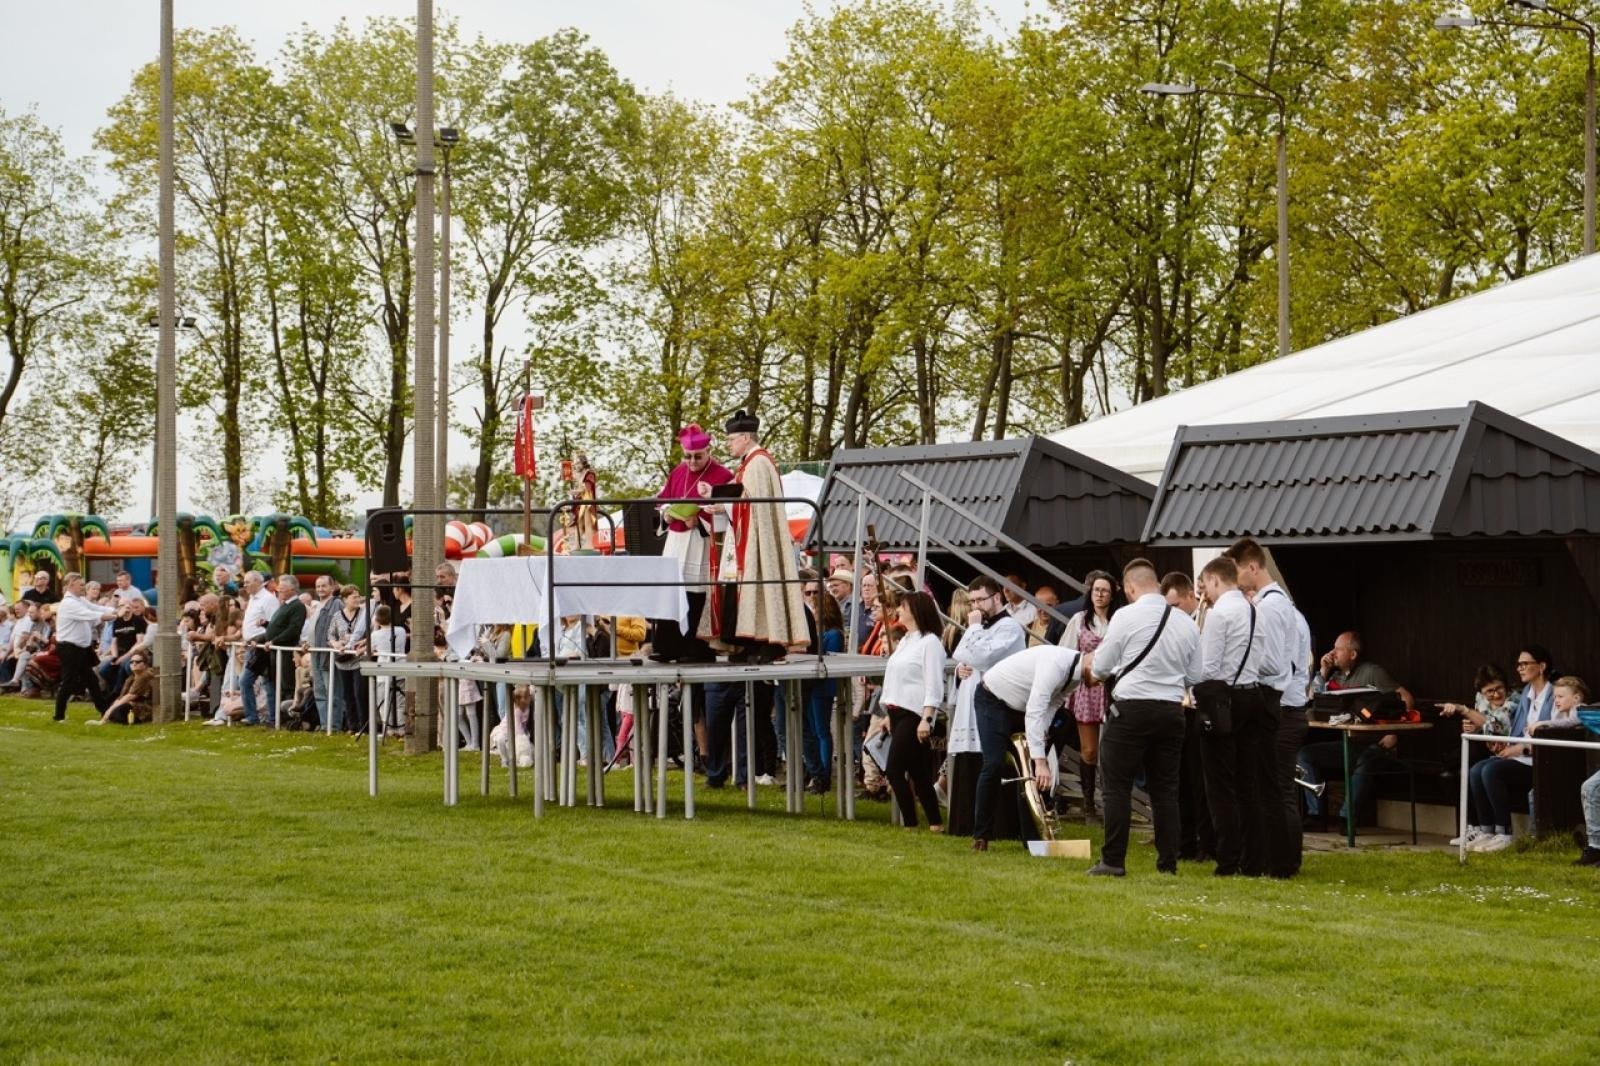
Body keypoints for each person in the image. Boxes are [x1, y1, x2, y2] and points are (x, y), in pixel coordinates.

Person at [1080, 558, 1204, 876]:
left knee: (1116, 786)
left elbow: (1103, 665)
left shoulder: (1125, 616)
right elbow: (1195, 674)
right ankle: (1167, 863)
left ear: (1131, 587)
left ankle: (1113, 861)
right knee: (1166, 790)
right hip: (1171, 710)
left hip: (1131, 709)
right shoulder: (1186, 622)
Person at [700, 410, 808, 663]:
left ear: (746, 437)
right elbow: (743, 499)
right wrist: (716, 497)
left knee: (759, 588)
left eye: (731, 439)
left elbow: (752, 505)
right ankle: (747, 643)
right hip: (747, 536)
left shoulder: (758, 463)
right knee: (742, 588)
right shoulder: (750, 462)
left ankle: (768, 643)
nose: (728, 445)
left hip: (758, 541)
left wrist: (722, 505)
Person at [1225, 536, 1300, 878]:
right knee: (1268, 783)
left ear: (1252, 567)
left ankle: (1278, 860)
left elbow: (1272, 661)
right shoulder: (1277, 603)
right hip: (1273, 697)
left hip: (1268, 695)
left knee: (1266, 784)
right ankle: (1278, 858)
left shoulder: (1269, 606)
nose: (1236, 578)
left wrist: (1240, 665)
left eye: (1237, 571)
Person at [970, 640, 1085, 852]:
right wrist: (1041, 761)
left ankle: (1032, 841)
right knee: (993, 764)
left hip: (1020, 708)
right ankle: (981, 835)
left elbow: (1052, 706)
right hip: (992, 700)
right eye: (1100, 679)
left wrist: (1038, 746)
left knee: (1030, 770)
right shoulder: (1056, 664)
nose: (1098, 684)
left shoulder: (1076, 676)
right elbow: (1035, 709)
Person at [1193, 556, 1268, 877]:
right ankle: (1254, 859)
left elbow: (1207, 668)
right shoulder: (1255, 609)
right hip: (1254, 694)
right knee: (1248, 783)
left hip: (1225, 699)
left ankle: (1227, 859)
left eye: (1205, 586)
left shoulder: (1220, 613)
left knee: (1220, 785)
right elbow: (1267, 662)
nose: (1204, 593)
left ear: (1214, 580)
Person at [1299, 632, 1416, 828]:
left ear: (1353, 654)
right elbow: (1313, 699)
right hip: (1350, 743)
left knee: (1366, 760)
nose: (1333, 653)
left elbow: (1406, 697)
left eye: (1338, 649)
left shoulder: (1372, 672)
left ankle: (1347, 818)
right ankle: (1316, 816)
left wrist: (1393, 732)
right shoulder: (1335, 676)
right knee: (1304, 755)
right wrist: (1323, 671)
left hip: (1376, 745)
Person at [1464, 653, 1574, 853]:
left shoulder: (1552, 694)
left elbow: (1553, 731)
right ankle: (1487, 831)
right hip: (1523, 755)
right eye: (1518, 664)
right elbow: (1518, 727)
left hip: (1541, 760)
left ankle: (1505, 833)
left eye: (1525, 664)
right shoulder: (1527, 693)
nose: (1519, 668)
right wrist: (1507, 745)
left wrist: (1520, 748)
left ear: (1541, 666)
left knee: (1491, 771)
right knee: (1476, 770)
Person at [947, 576, 1028, 835]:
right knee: (973, 761)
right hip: (972, 700)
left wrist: (973, 629)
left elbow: (983, 655)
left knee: (993, 761)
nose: (975, 606)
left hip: (999, 704)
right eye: (971, 601)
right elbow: (962, 654)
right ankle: (966, 823)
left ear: (997, 597)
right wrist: (960, 668)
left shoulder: (1009, 627)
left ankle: (998, 827)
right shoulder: (980, 627)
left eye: (980, 599)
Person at [653, 423, 733, 662]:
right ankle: (666, 647)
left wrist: (698, 520)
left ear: (709, 451)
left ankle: (694, 649)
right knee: (671, 592)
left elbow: (728, 513)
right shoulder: (677, 472)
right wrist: (666, 514)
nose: (692, 462)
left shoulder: (723, 476)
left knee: (695, 592)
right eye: (688, 457)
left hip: (701, 542)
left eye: (698, 456)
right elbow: (662, 501)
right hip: (675, 541)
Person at [879, 591, 947, 831]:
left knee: (894, 769)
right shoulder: (907, 640)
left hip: (915, 714)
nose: (898, 610)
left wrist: (927, 718)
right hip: (897, 711)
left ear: (915, 611)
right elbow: (896, 677)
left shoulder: (930, 642)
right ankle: (935, 823)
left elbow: (933, 684)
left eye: (903, 607)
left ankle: (910, 822)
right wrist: (888, 711)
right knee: (917, 772)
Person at [1161, 570, 1213, 862]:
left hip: (1198, 707)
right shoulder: (1175, 626)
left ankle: (1206, 843)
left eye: (1175, 606)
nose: (1172, 613)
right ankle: (1185, 842)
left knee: (1199, 781)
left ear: (1189, 597)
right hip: (1177, 706)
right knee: (1180, 780)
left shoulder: (1203, 621)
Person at [1060, 570, 1115, 822]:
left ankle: (1112, 801)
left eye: (1105, 590)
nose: (1100, 594)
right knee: (1089, 750)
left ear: (1113, 594)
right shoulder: (1080, 620)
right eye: (1096, 590)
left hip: (1114, 687)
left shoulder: (1119, 620)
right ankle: (1089, 804)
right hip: (1089, 688)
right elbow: (1065, 653)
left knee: (1112, 750)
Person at [51, 572, 117, 723]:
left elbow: (96, 608)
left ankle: (104, 711)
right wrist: (116, 615)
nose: (83, 587)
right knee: (69, 681)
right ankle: (59, 716)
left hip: (80, 648)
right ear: (71, 585)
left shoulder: (79, 600)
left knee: (91, 680)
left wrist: (114, 610)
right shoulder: (69, 603)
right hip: (69, 648)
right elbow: (92, 614)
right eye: (81, 585)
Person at [235, 571, 278, 726]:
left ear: (257, 582)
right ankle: (268, 717)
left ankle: (257, 717)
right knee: (266, 682)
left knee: (248, 681)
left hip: (261, 647)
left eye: (247, 582)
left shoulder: (268, 599)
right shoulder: (253, 599)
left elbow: (272, 625)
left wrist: (260, 640)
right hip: (251, 645)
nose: (244, 585)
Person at [86, 651, 155, 725]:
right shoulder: (130, 678)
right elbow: (122, 696)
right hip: (132, 704)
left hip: (145, 708)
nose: (134, 664)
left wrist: (110, 710)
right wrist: (111, 707)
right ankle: (111, 718)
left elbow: (130, 696)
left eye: (138, 662)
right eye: (131, 662)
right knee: (109, 706)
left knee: (120, 709)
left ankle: (114, 719)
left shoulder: (145, 676)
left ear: (145, 664)